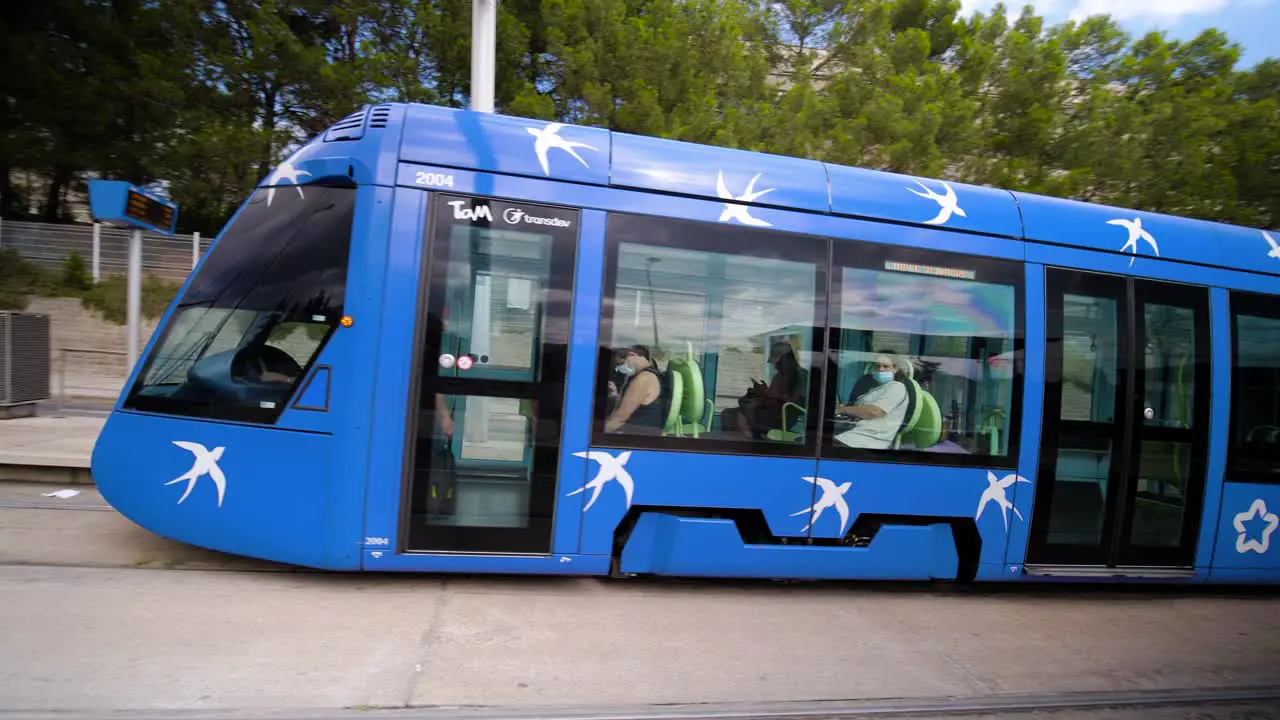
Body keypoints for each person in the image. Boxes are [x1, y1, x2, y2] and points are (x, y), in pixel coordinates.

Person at [722, 341, 807, 439]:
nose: (776, 367)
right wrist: (760, 392)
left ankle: (751, 442)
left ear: (787, 359)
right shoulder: (778, 377)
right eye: (775, 364)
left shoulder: (801, 376)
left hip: (788, 418)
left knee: (746, 412)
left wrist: (774, 395)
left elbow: (797, 402)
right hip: (773, 410)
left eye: (779, 363)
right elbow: (771, 396)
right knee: (728, 413)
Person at [833, 350, 910, 449]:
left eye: (886, 366)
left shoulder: (896, 387)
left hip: (865, 440)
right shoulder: (875, 388)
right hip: (853, 434)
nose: (881, 369)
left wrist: (843, 410)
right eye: (878, 366)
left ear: (895, 369)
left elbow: (873, 411)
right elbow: (861, 407)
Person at [604, 345, 665, 433]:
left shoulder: (644, 378)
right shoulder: (653, 374)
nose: (619, 368)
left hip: (637, 436)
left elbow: (621, 416)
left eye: (621, 363)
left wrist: (597, 432)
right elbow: (638, 404)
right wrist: (616, 395)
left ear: (632, 355)